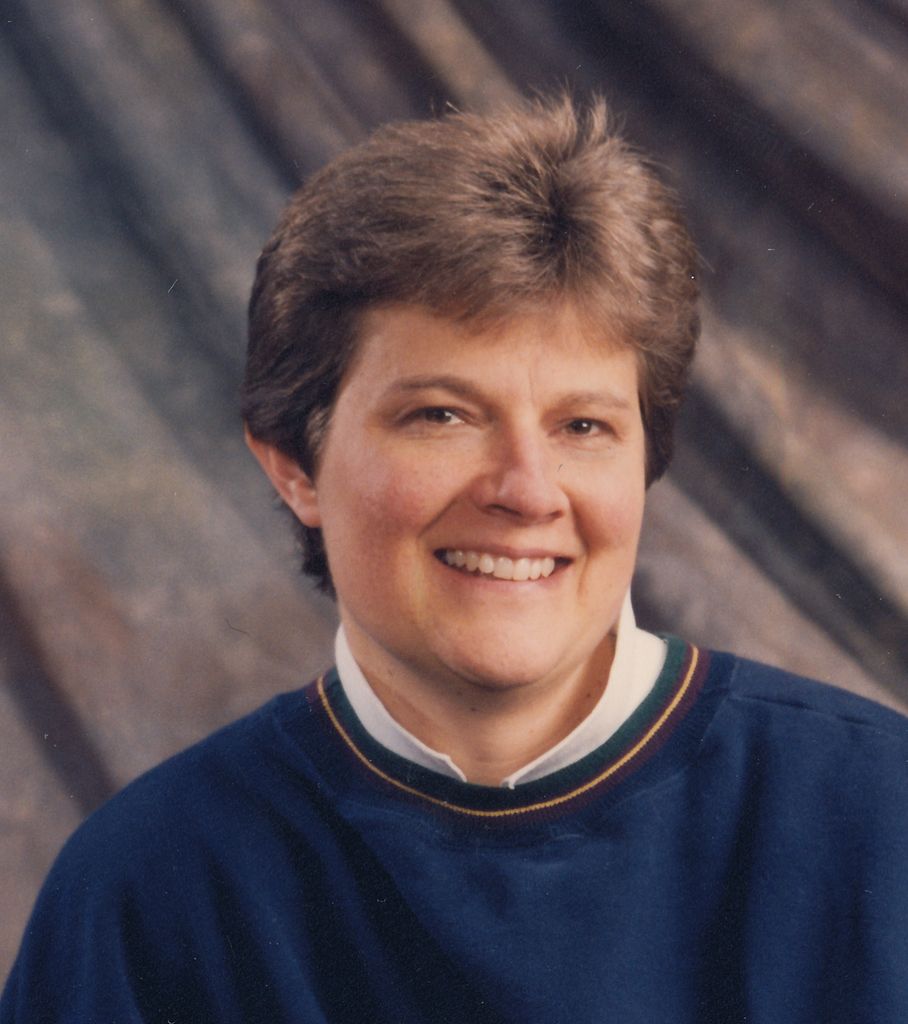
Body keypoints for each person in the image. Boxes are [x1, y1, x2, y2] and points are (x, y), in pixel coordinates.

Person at [3, 94, 907, 1023]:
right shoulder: (147, 894)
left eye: (583, 426)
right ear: (295, 468)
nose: (527, 489)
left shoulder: (878, 816)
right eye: (442, 415)